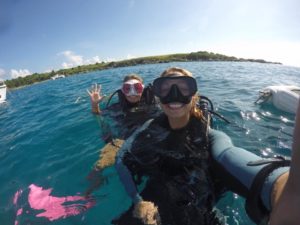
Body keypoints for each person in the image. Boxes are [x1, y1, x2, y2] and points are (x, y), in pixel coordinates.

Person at [114, 67, 297, 225]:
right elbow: (121, 159)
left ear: (194, 96)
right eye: (166, 88)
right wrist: (137, 199)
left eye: (183, 88)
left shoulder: (212, 138)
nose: (174, 95)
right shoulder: (149, 130)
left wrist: (283, 187)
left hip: (198, 208)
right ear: (158, 96)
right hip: (151, 202)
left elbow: (229, 155)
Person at [85, 74, 160, 195]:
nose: (132, 92)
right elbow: (99, 116)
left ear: (143, 88)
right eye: (127, 88)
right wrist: (95, 105)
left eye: (137, 88)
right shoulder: (116, 108)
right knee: (96, 169)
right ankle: (88, 196)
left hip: (147, 139)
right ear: (122, 91)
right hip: (122, 141)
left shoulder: (154, 104)